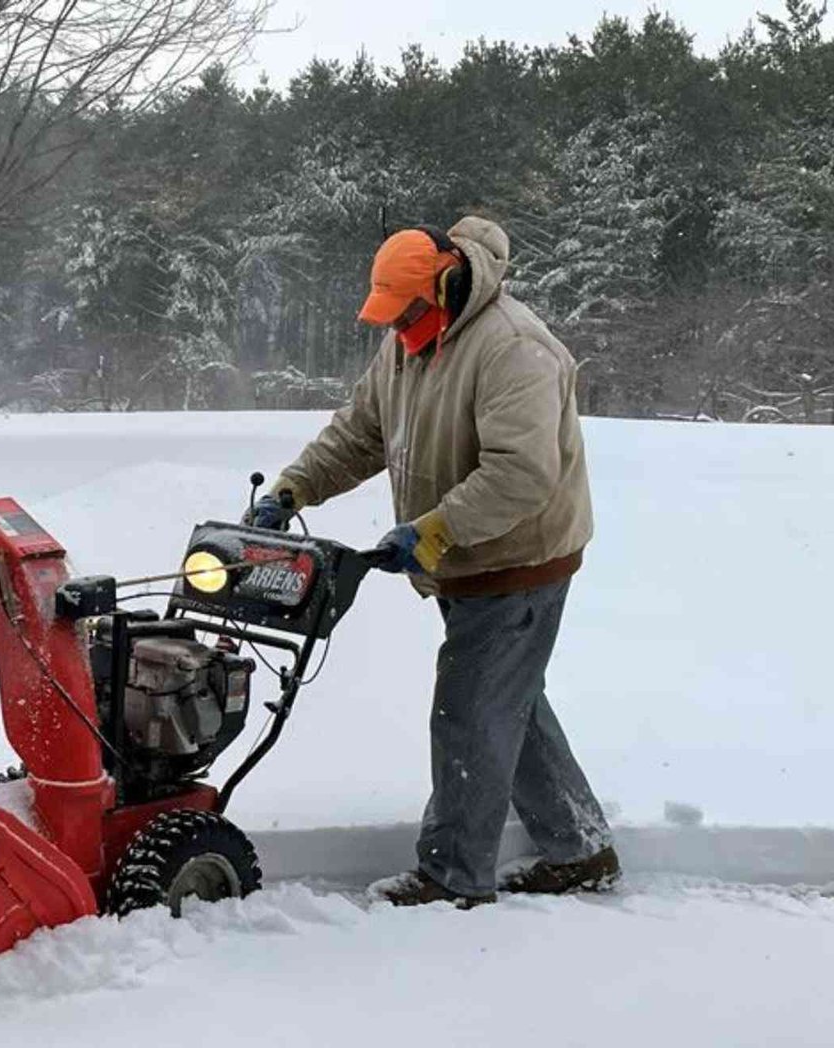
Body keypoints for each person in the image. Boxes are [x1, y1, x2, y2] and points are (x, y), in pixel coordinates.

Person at [247, 217, 618, 907]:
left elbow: (522, 476)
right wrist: (293, 488)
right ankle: (580, 847)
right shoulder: (408, 346)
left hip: (518, 558)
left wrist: (431, 531)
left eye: (408, 315)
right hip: (461, 555)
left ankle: (453, 877)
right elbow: (359, 432)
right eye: (390, 319)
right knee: (507, 701)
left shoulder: (513, 349)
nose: (399, 330)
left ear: (447, 284)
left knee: (469, 713)